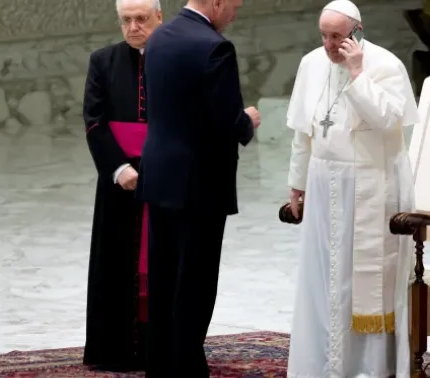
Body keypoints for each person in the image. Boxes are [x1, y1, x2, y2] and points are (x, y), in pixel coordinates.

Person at [285, 1, 420, 377]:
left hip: (369, 186)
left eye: (337, 37)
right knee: (323, 278)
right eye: (324, 35)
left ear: (357, 32)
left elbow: (388, 120)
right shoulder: (312, 64)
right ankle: (320, 367)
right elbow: (303, 132)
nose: (329, 45)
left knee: (357, 281)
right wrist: (296, 185)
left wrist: (357, 72)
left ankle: (364, 369)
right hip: (322, 181)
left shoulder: (385, 66)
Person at [135, 0, 260, 376]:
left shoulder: (159, 38)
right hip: (200, 184)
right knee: (196, 283)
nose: (235, 12)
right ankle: (187, 367)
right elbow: (226, 119)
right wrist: (248, 121)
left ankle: (160, 365)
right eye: (234, 5)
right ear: (217, 1)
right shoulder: (215, 47)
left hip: (159, 175)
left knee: (164, 278)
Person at [81, 0, 162, 371]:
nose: (133, 27)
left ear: (159, 18)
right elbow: (94, 121)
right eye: (126, 20)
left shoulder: (176, 58)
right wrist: (118, 169)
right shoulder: (103, 61)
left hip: (165, 178)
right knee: (115, 266)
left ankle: (159, 350)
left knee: (163, 264)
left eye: (141, 19)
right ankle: (112, 350)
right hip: (118, 181)